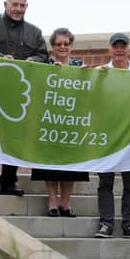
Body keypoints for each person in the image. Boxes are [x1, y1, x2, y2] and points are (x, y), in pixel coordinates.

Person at [0, 0, 49, 195]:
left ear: (26, 7)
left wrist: (33, 61)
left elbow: (43, 54)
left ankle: (9, 181)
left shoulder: (34, 32)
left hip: (20, 96)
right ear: (5, 5)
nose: (18, 9)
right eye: (14, 5)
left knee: (14, 139)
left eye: (22, 5)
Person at [94, 33, 130, 239]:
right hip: (106, 138)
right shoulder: (101, 72)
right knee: (105, 183)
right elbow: (89, 97)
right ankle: (106, 223)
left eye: (123, 46)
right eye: (115, 46)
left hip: (129, 139)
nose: (119, 50)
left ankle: (129, 224)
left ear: (129, 50)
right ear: (110, 50)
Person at [31, 28, 89, 217]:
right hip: (48, 121)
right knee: (48, 163)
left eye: (66, 44)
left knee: (70, 165)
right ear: (52, 47)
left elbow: (91, 92)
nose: (62, 47)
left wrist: (89, 75)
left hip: (72, 123)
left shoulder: (81, 67)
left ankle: (66, 202)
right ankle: (52, 201)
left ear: (71, 46)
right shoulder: (44, 66)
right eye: (58, 44)